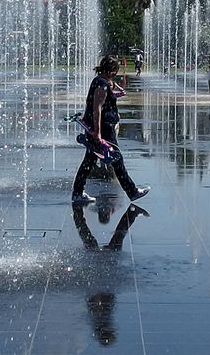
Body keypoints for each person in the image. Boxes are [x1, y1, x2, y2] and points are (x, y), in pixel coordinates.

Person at [71, 56, 150, 204]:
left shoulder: (101, 82)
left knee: (89, 160)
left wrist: (116, 89)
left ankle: (77, 193)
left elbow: (105, 100)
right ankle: (132, 191)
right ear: (112, 70)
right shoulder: (102, 84)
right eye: (116, 70)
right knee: (116, 158)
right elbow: (97, 108)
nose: (116, 73)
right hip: (103, 128)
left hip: (99, 127)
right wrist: (97, 132)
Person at [71, 200, 148, 347]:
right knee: (109, 239)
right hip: (103, 267)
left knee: (107, 239)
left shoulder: (99, 318)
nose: (113, 330)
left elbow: (97, 298)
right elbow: (101, 298)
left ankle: (78, 216)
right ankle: (78, 216)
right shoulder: (101, 318)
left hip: (99, 266)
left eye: (110, 332)